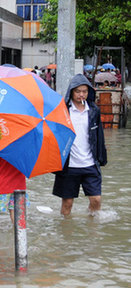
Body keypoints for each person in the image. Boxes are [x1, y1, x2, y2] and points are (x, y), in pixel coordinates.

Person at [53, 74, 107, 216]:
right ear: (71, 92)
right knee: (67, 203)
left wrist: (102, 158)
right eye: (78, 91)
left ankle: (91, 229)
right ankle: (66, 232)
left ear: (89, 92)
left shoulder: (93, 111)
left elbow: (99, 136)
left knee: (96, 199)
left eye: (84, 91)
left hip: (89, 163)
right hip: (69, 166)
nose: (81, 95)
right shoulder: (63, 110)